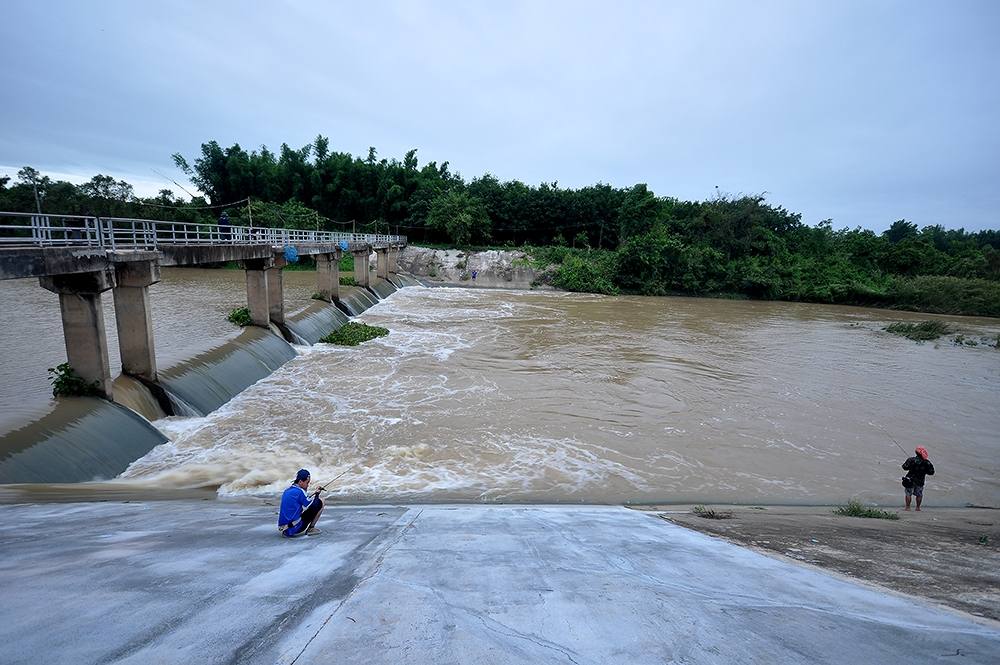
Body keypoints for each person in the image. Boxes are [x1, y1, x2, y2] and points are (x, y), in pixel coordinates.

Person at [278, 469, 324, 537]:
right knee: (321, 501)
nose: (308, 485)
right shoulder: (300, 492)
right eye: (307, 483)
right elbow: (311, 505)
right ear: (300, 481)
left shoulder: (287, 491)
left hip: (284, 528)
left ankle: (288, 529)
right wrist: (317, 494)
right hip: (295, 528)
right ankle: (311, 529)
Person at [902, 446, 935, 511]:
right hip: (920, 480)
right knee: (919, 494)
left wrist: (910, 465)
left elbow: (904, 467)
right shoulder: (927, 462)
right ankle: (918, 508)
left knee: (908, 493)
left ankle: (908, 507)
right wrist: (924, 470)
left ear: (916, 453)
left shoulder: (911, 459)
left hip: (910, 480)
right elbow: (931, 472)